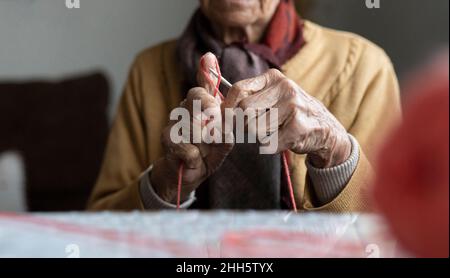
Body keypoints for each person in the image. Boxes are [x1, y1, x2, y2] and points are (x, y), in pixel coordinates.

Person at [88, 0, 401, 211]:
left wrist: (334, 148)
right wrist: (168, 183)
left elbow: (396, 234)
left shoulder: (364, 66)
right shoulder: (149, 70)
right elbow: (99, 230)